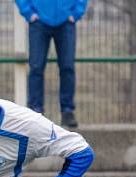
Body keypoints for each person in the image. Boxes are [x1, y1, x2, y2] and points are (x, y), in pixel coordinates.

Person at [15, 0, 89, 128]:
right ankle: (35, 111)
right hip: (38, 23)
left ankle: (67, 111)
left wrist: (76, 13)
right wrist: (28, 13)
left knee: (67, 68)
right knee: (36, 68)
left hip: (66, 22)